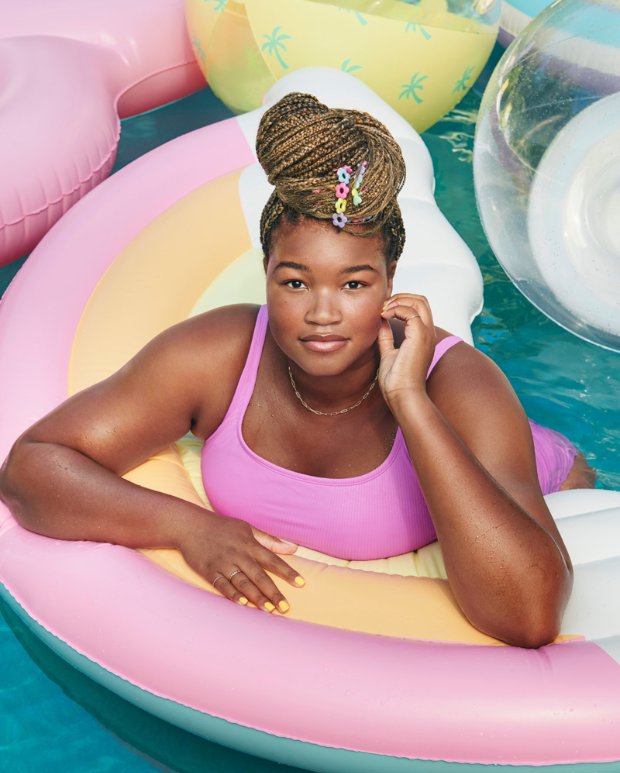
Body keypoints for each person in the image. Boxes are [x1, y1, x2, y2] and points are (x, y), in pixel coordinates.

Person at [0, 93, 594, 649]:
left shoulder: (458, 383)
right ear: (266, 272)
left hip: (544, 482)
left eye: (355, 283)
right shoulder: (220, 352)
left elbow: (529, 618)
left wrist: (409, 400)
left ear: (391, 280)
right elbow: (32, 468)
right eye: (295, 281)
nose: (322, 314)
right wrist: (187, 526)